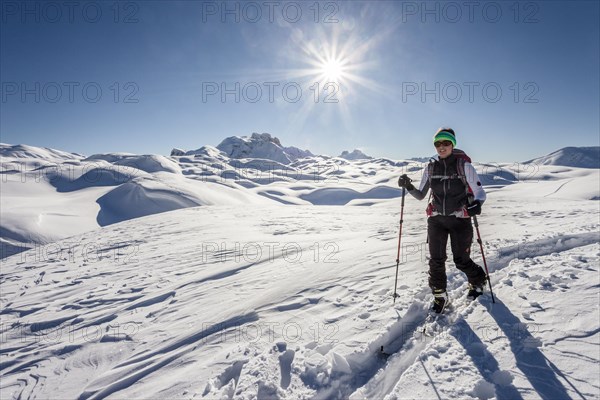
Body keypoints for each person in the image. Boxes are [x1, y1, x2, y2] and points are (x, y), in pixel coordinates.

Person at [397, 127, 487, 313]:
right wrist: (408, 186)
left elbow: (480, 193)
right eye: (438, 143)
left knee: (461, 260)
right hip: (437, 220)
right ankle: (440, 296)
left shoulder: (464, 166)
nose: (441, 146)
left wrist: (476, 205)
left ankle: (478, 280)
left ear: (452, 144)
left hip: (460, 219)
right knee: (436, 261)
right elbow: (421, 195)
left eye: (446, 142)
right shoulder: (431, 167)